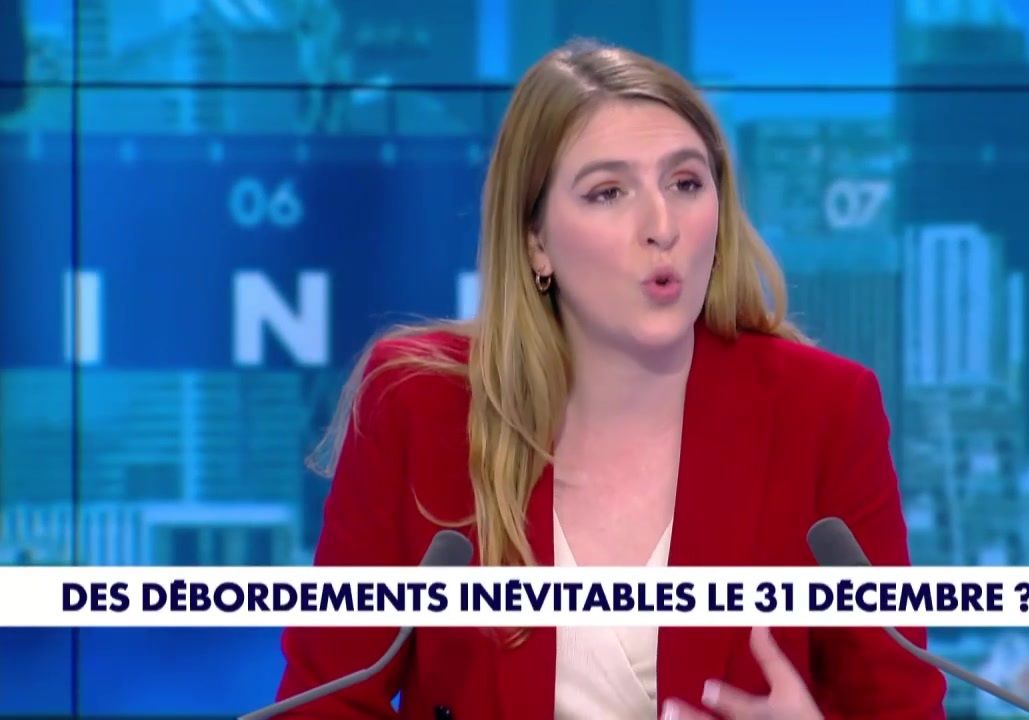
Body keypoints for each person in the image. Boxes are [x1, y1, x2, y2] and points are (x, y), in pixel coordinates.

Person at [276, 38, 947, 719]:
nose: (661, 226)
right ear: (536, 240)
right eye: (608, 192)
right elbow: (324, 701)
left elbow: (902, 705)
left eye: (686, 183)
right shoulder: (418, 404)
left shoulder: (823, 411)